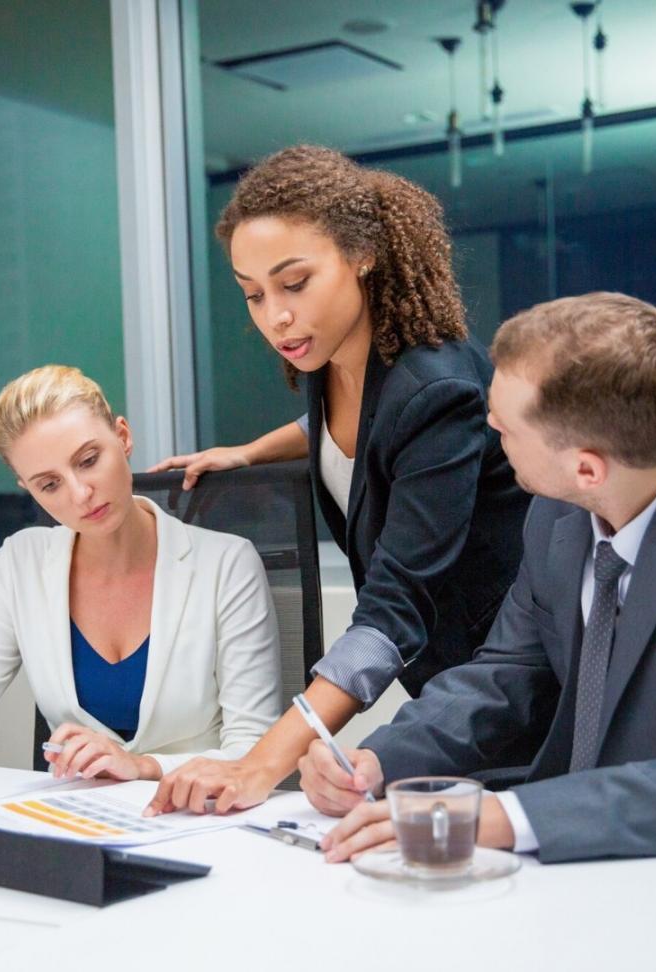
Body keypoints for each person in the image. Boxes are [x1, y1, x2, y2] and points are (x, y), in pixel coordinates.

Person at [304, 292, 656, 863]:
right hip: (596, 867)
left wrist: (508, 819)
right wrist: (379, 761)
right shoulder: (560, 513)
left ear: (587, 467)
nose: (490, 434)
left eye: (504, 431)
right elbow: (506, 674)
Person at [145, 145, 529, 815]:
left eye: (295, 283)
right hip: (444, 681)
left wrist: (260, 764)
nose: (276, 317)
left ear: (362, 254)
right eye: (254, 294)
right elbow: (340, 429)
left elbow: (394, 607)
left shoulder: (436, 390)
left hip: (507, 687)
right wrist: (251, 451)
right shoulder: (341, 354)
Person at [0, 365, 281, 787]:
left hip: (201, 821)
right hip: (76, 823)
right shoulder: (21, 562)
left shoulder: (225, 564)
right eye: (50, 484)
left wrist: (142, 767)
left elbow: (252, 749)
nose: (80, 494)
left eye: (88, 460)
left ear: (122, 437)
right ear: (29, 490)